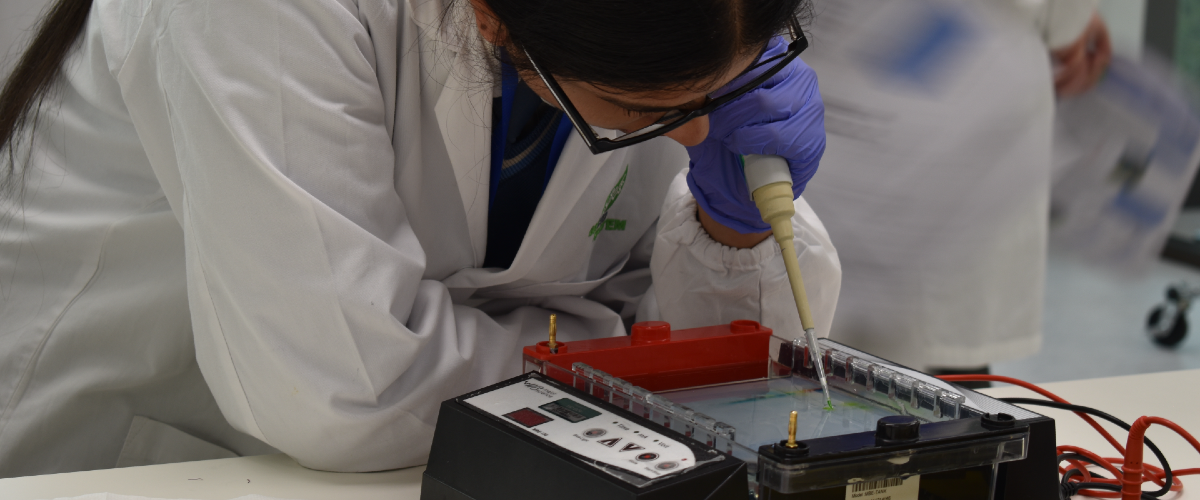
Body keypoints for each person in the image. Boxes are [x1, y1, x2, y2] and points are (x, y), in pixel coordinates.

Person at [0, 0, 838, 477]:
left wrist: (731, 233)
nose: (696, 144)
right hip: (141, 456)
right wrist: (627, 353)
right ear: (490, 18)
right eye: (649, 117)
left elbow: (735, 373)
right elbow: (342, 391)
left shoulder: (672, 32)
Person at [800, 0, 1110, 383]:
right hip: (972, 76)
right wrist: (1066, 22)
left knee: (813, 335)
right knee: (953, 385)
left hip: (833, 76)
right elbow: (1065, 27)